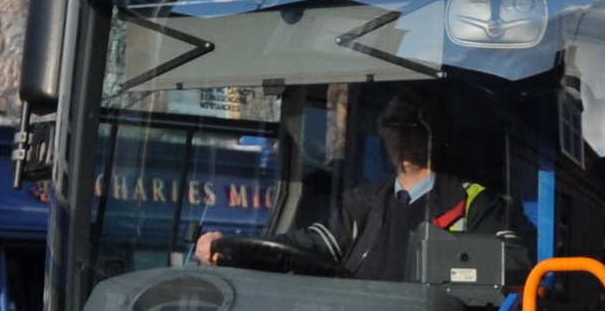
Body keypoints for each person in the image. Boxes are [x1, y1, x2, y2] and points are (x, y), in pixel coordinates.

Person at [195, 87, 517, 283]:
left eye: (415, 123)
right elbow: (310, 246)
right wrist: (236, 249)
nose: (401, 133)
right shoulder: (362, 201)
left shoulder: (473, 203)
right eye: (392, 123)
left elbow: (515, 264)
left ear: (439, 133)